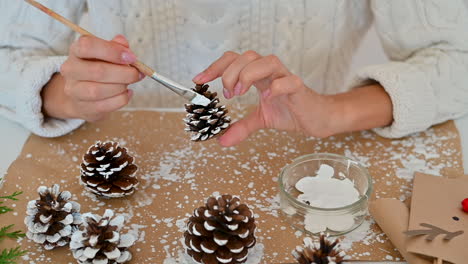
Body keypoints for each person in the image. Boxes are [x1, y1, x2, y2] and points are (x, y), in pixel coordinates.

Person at [1, 1, 468, 147]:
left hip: (305, 164)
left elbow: (459, 56)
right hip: (118, 164)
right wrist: (58, 92)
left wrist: (335, 110)